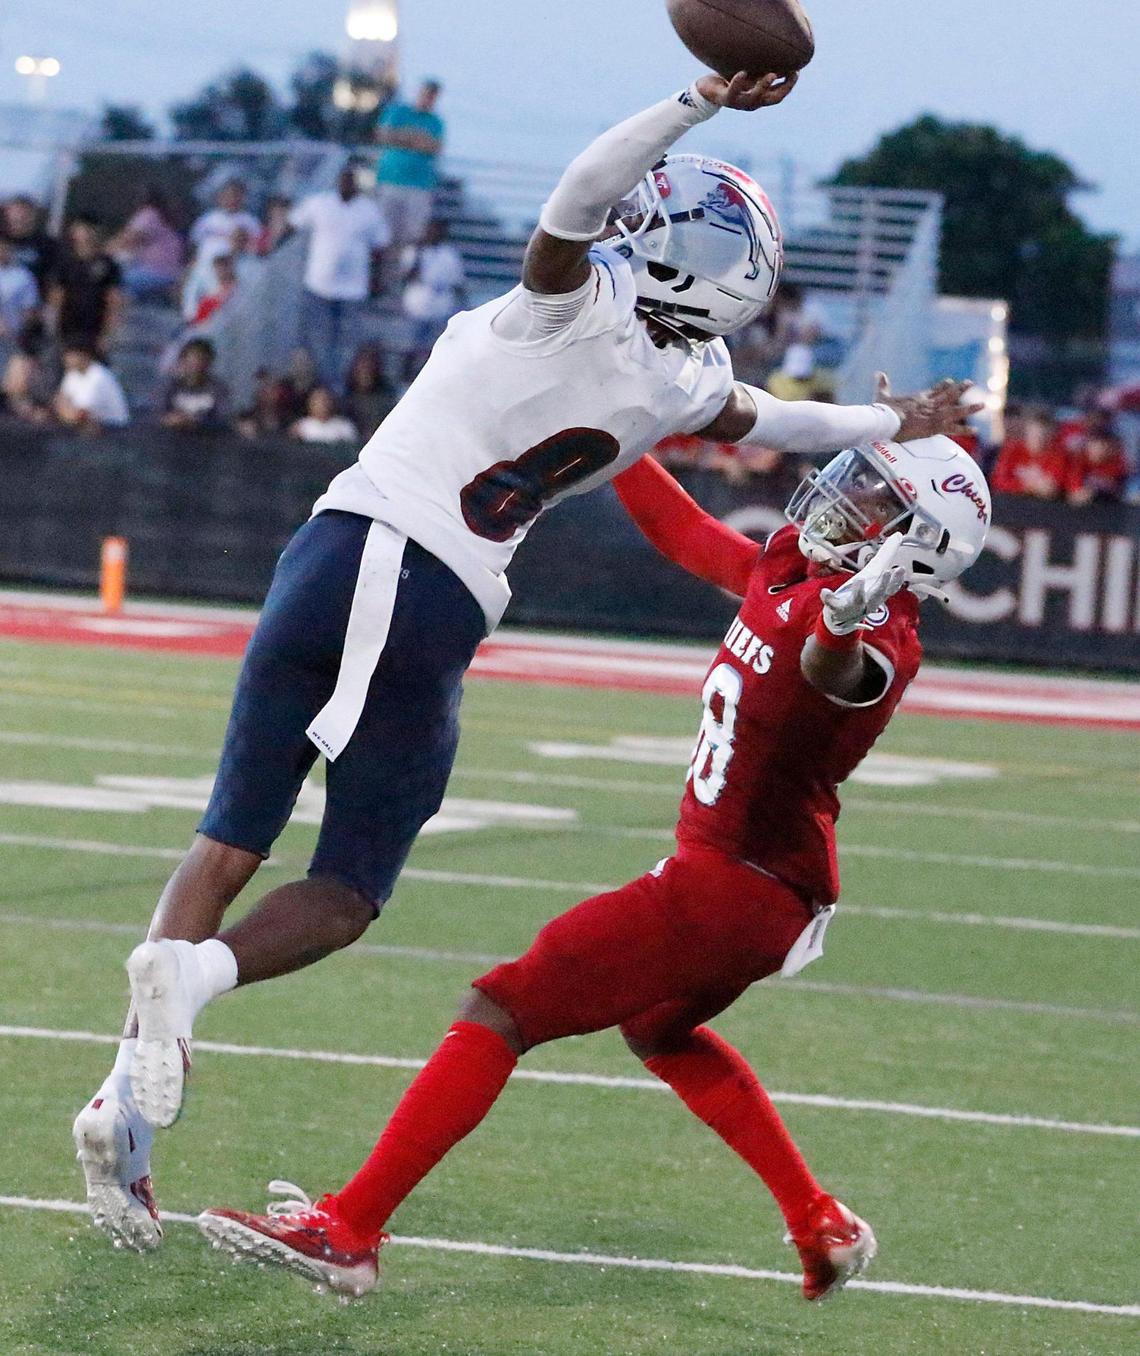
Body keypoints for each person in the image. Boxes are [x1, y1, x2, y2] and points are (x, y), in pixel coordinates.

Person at [72, 69, 979, 1254]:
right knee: (345, 888)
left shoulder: (586, 318)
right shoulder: (681, 379)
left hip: (337, 553)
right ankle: (180, 997)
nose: (636, 218)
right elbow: (775, 420)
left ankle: (123, 1101)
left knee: (236, 840)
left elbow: (581, 199)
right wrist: (889, 428)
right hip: (414, 583)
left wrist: (696, 98)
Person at [199, 434, 992, 1304]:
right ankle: (818, 1221)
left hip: (734, 885)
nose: (845, 500)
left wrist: (841, 623)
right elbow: (687, 536)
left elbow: (830, 669)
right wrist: (618, 427)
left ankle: (348, 1231)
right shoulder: (797, 565)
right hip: (760, 887)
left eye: (876, 500)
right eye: (858, 481)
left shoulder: (882, 631)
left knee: (502, 1007)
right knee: (658, 1030)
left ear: (917, 543)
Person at [290, 165, 391, 387]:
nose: (346, 183)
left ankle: (338, 386)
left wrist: (377, 279)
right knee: (317, 340)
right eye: (343, 179)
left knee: (346, 344)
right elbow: (292, 223)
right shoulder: (320, 203)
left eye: (350, 180)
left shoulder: (369, 210)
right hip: (318, 287)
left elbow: (381, 248)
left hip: (353, 291)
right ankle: (319, 387)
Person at [375, 79, 445, 291]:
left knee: (412, 238)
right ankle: (379, 283)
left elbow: (434, 146)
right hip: (390, 181)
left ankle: (399, 285)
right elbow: (383, 135)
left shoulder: (436, 122)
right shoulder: (398, 112)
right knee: (384, 235)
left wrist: (404, 137)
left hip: (419, 186)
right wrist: (416, 140)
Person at [399, 218, 466, 382]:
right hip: (416, 307)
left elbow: (457, 283)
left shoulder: (450, 254)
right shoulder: (413, 251)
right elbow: (407, 276)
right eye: (430, 229)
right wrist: (419, 253)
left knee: (433, 349)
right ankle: (406, 378)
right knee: (411, 346)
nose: (433, 233)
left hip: (440, 308)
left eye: (437, 230)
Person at [48, 217, 124, 355]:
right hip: (67, 331)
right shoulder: (65, 263)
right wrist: (54, 328)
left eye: (90, 229)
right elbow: (57, 297)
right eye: (82, 229)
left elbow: (113, 301)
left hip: (94, 332)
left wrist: (107, 335)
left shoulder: (108, 265)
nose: (86, 234)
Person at [110, 188, 184, 302]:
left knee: (112, 279)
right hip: (171, 273)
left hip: (155, 271)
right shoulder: (165, 218)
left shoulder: (149, 214)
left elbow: (128, 239)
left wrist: (101, 253)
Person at [54, 339, 129, 431]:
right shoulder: (72, 374)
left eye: (71, 355)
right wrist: (64, 411)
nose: (66, 359)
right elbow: (59, 402)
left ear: (84, 355)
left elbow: (81, 415)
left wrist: (64, 412)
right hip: (91, 428)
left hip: (114, 430)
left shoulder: (99, 376)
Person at [990, 408, 1066, 498]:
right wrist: (1027, 487)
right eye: (1034, 435)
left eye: (1044, 436)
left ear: (1051, 435)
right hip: (1012, 503)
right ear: (1027, 432)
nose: (1039, 440)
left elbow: (1053, 487)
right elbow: (997, 481)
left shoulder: (1057, 456)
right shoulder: (1012, 450)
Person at [159, 337, 230, 432]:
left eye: (201, 360)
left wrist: (194, 422)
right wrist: (168, 419)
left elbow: (224, 420)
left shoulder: (218, 388)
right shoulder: (169, 386)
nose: (196, 365)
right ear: (182, 361)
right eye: (192, 360)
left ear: (209, 363)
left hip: (206, 441)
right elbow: (155, 414)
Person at [1064, 414, 1129, 505]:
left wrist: (1098, 489)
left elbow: (1116, 486)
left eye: (1103, 447)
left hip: (1105, 504)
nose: (1098, 451)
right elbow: (1073, 480)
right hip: (1078, 501)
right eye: (1095, 446)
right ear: (1087, 446)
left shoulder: (1115, 462)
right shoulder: (1079, 459)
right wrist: (1077, 490)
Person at [1, 194, 58, 294]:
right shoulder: (2, 239)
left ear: (32, 215)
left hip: (33, 302)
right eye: (16, 214)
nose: (20, 218)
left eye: (24, 214)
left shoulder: (47, 244)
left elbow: (54, 280)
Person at [0, 235, 40, 368]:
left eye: (5, 247)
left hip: (12, 339)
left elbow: (30, 309)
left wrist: (22, 334)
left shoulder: (23, 276)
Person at [343, 343, 396, 438]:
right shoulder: (345, 398)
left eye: (369, 368)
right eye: (363, 368)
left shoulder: (386, 397)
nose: (365, 373)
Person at [291, 386, 358, 443]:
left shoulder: (345, 426)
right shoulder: (301, 427)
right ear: (310, 404)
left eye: (325, 400)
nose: (322, 404)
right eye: (317, 401)